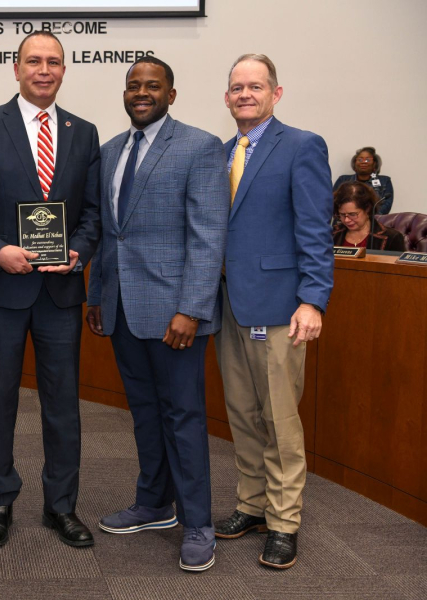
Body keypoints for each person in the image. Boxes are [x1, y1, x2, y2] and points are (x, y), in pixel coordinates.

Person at [0, 31, 102, 548]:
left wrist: (78, 251)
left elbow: (92, 214)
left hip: (60, 293)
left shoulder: (83, 133)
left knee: (63, 405)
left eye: (54, 62)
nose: (44, 70)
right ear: (15, 69)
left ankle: (61, 505)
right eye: (34, 61)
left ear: (64, 71)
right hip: (0, 288)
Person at [86, 56, 229, 572]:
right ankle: (154, 505)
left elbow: (208, 234)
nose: (141, 93)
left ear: (171, 94)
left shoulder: (199, 147)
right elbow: (109, 234)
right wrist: (96, 298)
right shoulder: (109, 152)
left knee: (184, 417)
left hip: (175, 313)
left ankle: (198, 522)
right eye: (133, 86)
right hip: (123, 308)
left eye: (152, 86)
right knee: (144, 414)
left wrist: (192, 308)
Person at [214, 54, 334, 570]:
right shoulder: (221, 152)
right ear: (227, 97)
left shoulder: (302, 146)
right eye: (237, 87)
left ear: (275, 93)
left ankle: (284, 521)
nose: (245, 94)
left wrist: (313, 299)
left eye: (255, 86)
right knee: (242, 413)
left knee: (280, 419)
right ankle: (252, 505)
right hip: (229, 308)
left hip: (280, 309)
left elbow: (314, 229)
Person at [332, 181, 406, 251]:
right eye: (342, 215)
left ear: (367, 209)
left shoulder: (392, 238)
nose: (346, 220)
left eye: (352, 214)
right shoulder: (332, 234)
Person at [333, 147, 393, 214]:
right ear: (355, 163)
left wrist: (368, 218)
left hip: (374, 221)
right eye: (360, 160)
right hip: (345, 220)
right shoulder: (343, 180)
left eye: (367, 160)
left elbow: (386, 205)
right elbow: (333, 203)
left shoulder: (385, 181)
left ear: (374, 164)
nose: (363, 162)